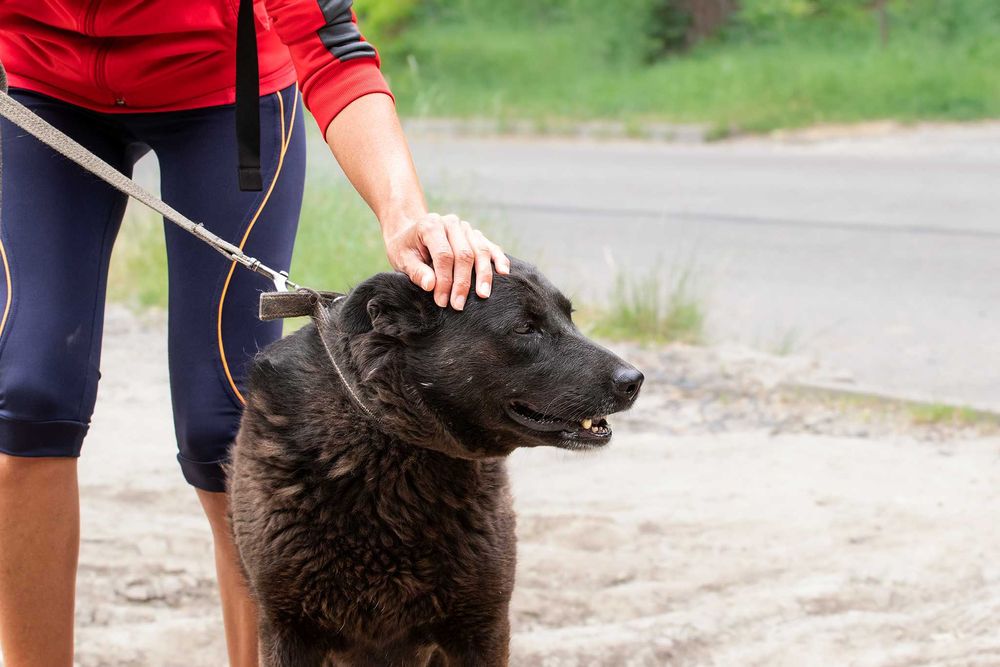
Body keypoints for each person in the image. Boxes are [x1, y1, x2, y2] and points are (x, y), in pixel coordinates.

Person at [0, 1, 509, 665]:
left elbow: (331, 47)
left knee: (224, 419)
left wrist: (402, 211)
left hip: (223, 93)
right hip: (40, 83)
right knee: (29, 395)